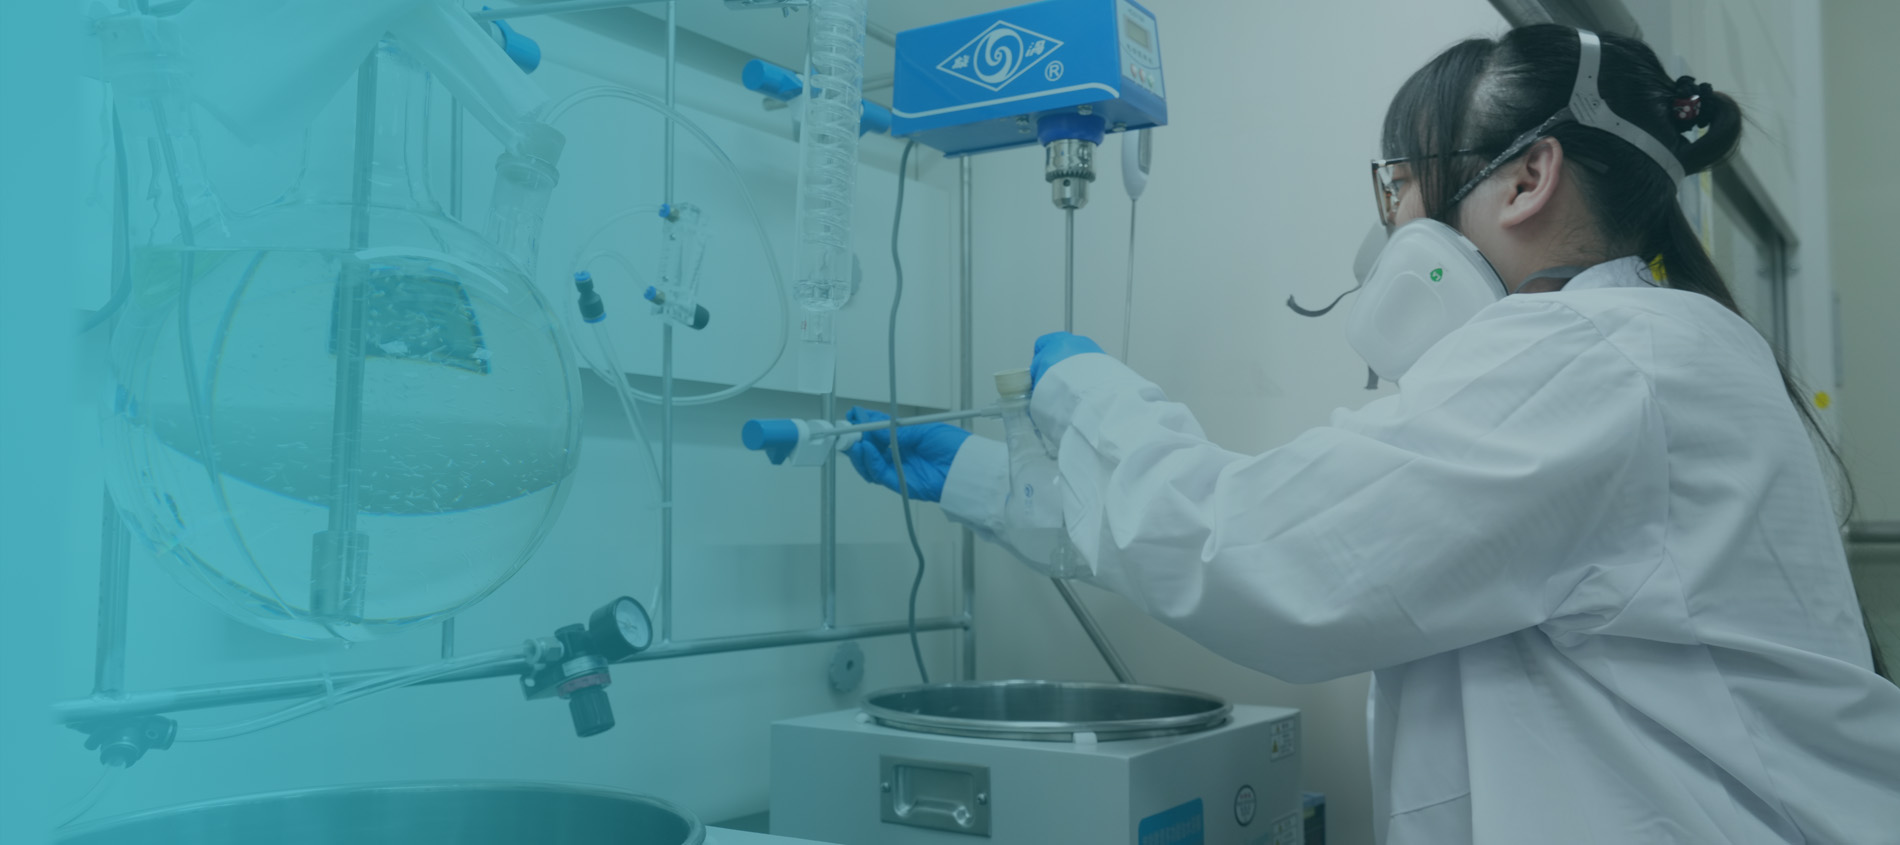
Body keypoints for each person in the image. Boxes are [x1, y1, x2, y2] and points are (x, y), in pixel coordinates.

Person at [842, 24, 1900, 845]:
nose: (1389, 228)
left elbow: (1268, 554)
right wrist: (996, 484)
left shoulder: (1594, 354)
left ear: (1527, 179)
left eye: (1399, 185)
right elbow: (1352, 538)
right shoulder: (1647, 350)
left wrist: (1087, 394)